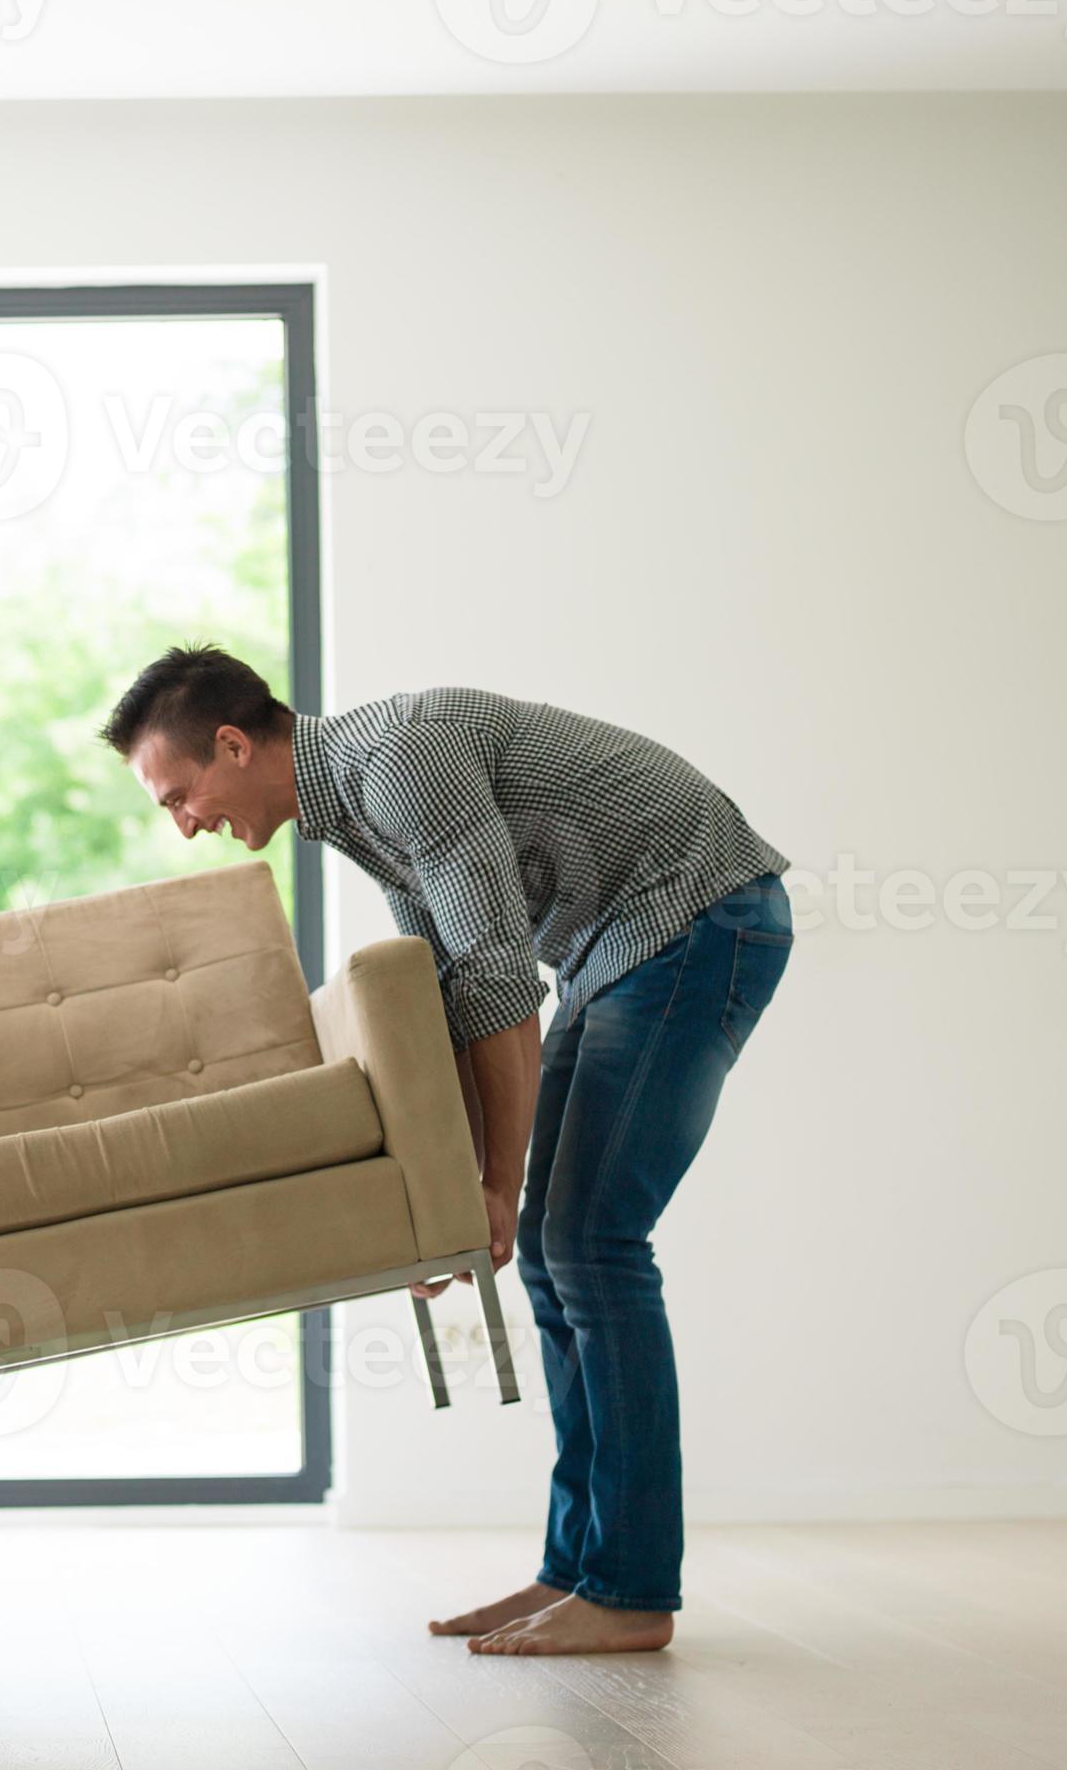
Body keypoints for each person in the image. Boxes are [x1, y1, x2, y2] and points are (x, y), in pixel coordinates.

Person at [102, 648, 792, 1657]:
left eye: (178, 795)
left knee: (591, 1245)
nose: (183, 824)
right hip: (620, 943)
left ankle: (631, 1588)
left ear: (235, 746)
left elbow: (501, 976)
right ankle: (579, 1569)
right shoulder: (355, 805)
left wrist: (494, 1187)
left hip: (694, 915)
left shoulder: (398, 764)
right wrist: (453, 1200)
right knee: (558, 1252)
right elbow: (460, 1002)